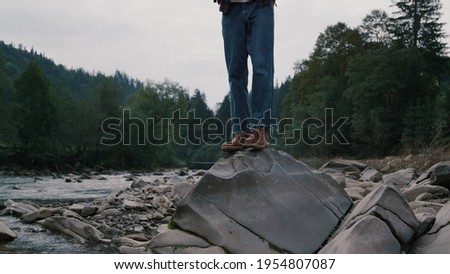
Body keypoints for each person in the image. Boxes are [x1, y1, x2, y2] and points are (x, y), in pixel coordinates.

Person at [214, 0, 276, 152]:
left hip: (261, 6)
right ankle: (242, 132)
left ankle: (260, 129)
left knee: (263, 67)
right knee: (235, 72)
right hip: (230, 9)